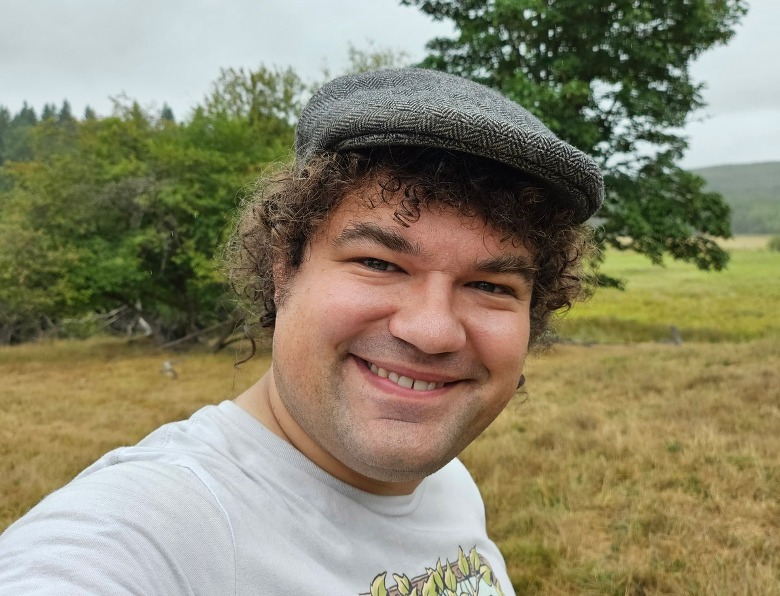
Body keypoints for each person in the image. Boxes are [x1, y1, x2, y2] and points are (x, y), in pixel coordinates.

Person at [0, 67, 603, 595]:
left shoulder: (444, 483)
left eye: (492, 286)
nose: (432, 331)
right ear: (284, 268)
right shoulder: (150, 528)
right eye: (379, 263)